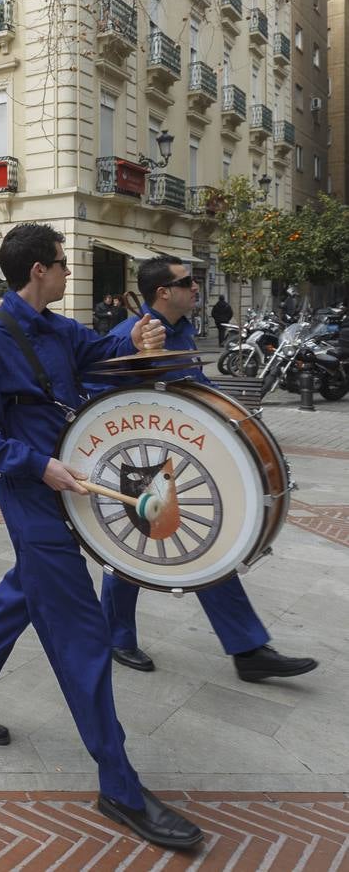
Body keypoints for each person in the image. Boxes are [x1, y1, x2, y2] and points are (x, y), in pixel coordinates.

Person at [0, 224, 203, 850]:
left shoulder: (57, 326)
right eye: (61, 264)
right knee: (82, 632)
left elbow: (98, 352)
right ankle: (120, 785)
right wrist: (36, 463)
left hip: (73, 485)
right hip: (34, 496)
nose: (68, 273)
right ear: (36, 272)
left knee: (26, 591)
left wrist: (137, 336)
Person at [96, 256, 319, 683]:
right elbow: (97, 397)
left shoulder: (179, 331)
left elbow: (193, 386)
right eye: (188, 282)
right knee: (133, 555)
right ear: (164, 292)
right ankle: (119, 637)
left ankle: (246, 648)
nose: (197, 287)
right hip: (142, 465)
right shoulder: (131, 336)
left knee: (205, 552)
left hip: (182, 459)